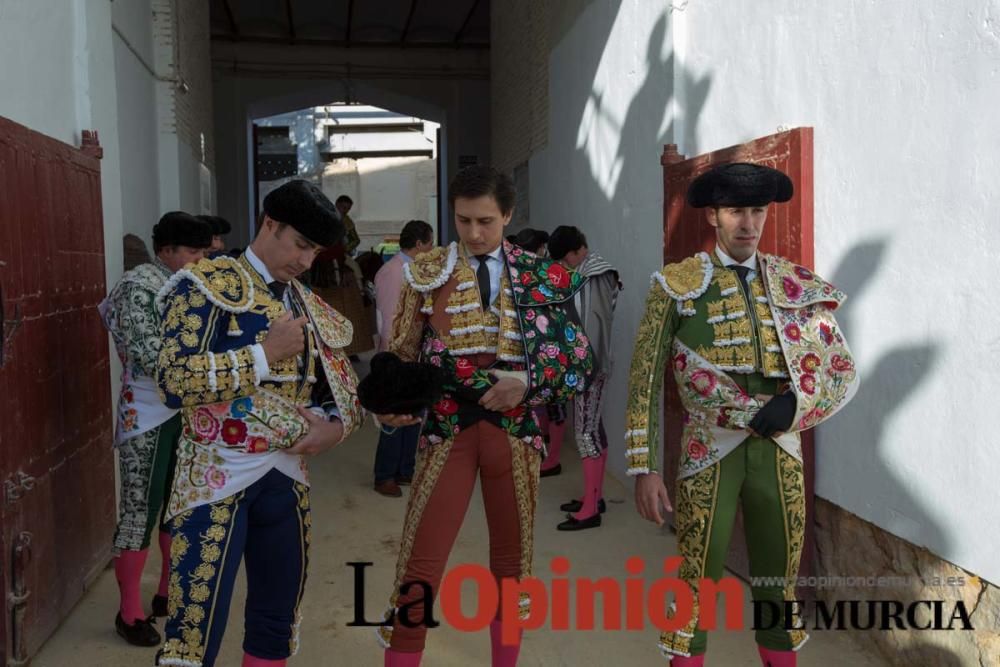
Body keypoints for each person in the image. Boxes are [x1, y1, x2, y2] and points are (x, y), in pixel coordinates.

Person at [625, 163, 859, 666]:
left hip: (779, 446)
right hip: (709, 445)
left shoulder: (791, 283)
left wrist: (797, 401)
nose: (748, 224)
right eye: (736, 211)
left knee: (778, 588)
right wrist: (643, 467)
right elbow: (644, 374)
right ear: (713, 215)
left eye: (757, 211)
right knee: (695, 583)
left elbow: (834, 366)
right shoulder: (676, 285)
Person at [373, 166, 595, 666]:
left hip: (515, 430)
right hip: (448, 426)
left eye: (486, 222)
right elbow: (402, 354)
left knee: (512, 569)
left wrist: (528, 384)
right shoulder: (425, 271)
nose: (474, 233)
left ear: (509, 216)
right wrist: (396, 403)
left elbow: (579, 360)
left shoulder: (542, 275)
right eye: (463, 220)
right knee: (420, 567)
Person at [154, 180, 365, 667]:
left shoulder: (302, 301)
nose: (306, 261)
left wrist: (334, 427)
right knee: (194, 627)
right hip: (214, 477)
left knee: (275, 619)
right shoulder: (203, 284)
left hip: (286, 481)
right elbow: (173, 381)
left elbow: (336, 390)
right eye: (300, 245)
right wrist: (263, 356)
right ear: (270, 224)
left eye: (314, 250)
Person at [100, 212, 213, 647]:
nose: (200, 260)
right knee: (140, 510)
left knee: (175, 505)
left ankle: (166, 592)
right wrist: (213, 371)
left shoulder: (186, 283)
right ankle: (129, 612)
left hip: (180, 408)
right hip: (147, 412)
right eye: (192, 252)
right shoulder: (137, 287)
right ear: (165, 251)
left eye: (204, 251)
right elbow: (152, 357)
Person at [546, 225, 621, 531]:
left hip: (588, 366)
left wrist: (585, 368)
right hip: (588, 363)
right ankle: (594, 496)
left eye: (567, 260)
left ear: (578, 251)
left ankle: (590, 510)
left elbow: (595, 323)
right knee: (593, 429)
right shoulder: (588, 272)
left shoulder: (595, 274)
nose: (565, 267)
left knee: (586, 434)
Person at [371, 219, 434, 497]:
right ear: (419, 244)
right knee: (393, 416)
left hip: (416, 353)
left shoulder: (415, 270)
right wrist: (392, 357)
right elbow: (388, 319)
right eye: (430, 243)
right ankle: (384, 475)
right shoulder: (392, 271)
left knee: (414, 414)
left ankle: (405, 469)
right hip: (396, 355)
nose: (431, 248)